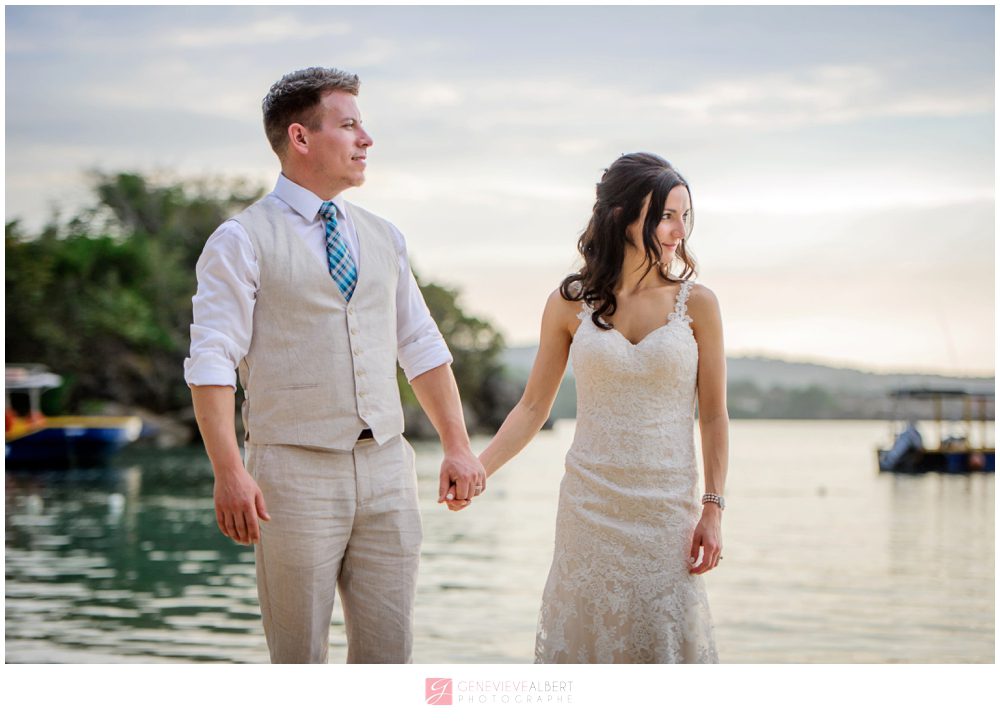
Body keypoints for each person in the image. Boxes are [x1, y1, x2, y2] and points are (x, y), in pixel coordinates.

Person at [184, 66, 486, 664]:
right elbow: (212, 360)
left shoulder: (384, 236)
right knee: (299, 659)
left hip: (388, 468)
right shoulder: (240, 240)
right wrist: (229, 471)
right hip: (291, 474)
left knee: (390, 656)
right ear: (300, 137)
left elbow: (420, 343)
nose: (366, 139)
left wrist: (457, 445)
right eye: (348, 126)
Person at [478, 153, 726, 663]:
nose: (679, 231)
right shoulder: (569, 302)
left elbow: (714, 415)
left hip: (666, 514)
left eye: (685, 216)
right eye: (666, 216)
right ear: (621, 215)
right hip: (589, 510)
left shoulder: (698, 303)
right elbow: (532, 407)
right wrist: (478, 470)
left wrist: (713, 508)